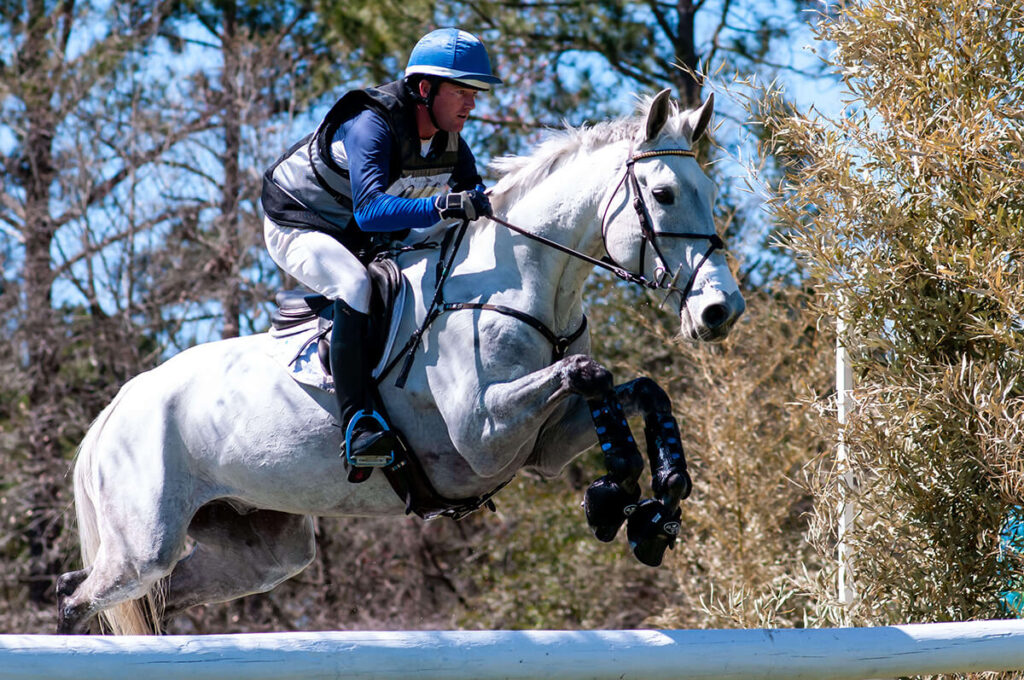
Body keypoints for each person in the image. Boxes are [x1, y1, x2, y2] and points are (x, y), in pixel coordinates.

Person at [261, 28, 500, 480]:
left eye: (475, 93)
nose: (472, 104)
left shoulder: (451, 142)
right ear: (425, 89)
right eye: (462, 92)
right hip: (299, 221)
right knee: (352, 283)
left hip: (357, 234)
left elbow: (475, 205)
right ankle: (358, 423)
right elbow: (371, 212)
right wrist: (441, 205)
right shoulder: (372, 124)